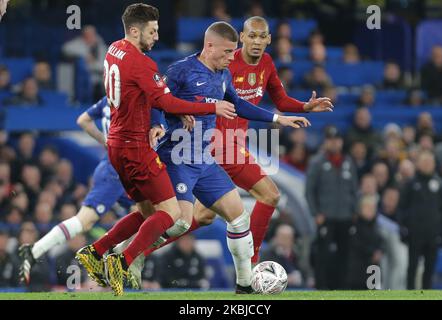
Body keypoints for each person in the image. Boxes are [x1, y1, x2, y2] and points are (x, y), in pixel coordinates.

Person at [136, 16, 331, 269]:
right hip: (216, 143)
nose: (257, 42)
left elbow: (279, 100)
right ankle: (252, 263)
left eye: (262, 37)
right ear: (242, 38)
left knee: (201, 216)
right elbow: (171, 96)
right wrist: (171, 117)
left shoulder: (267, 64)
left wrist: (304, 107)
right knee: (269, 196)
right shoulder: (225, 62)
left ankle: (139, 251)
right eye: (252, 36)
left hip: (234, 144)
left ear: (270, 39)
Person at [75, 3, 236, 296]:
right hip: (136, 147)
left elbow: (149, 97)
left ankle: (95, 251)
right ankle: (121, 261)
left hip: (115, 146)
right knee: (173, 214)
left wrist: (168, 113)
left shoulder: (114, 49)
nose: (156, 37)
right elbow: (167, 102)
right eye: (152, 31)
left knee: (148, 211)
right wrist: (210, 106)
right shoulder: (141, 63)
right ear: (135, 31)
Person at [18, 97, 135, 286]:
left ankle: (122, 265)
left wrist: (105, 142)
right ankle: (35, 250)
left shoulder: (109, 98)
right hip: (115, 171)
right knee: (85, 221)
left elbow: (83, 120)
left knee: (144, 213)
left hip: (125, 168)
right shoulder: (134, 98)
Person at [306, 125, 358, 289]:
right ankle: (321, 287)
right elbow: (309, 191)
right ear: (326, 142)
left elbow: (354, 189)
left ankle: (342, 287)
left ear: (341, 142)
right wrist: (316, 213)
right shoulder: (317, 162)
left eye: (337, 140)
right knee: (323, 255)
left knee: (345, 254)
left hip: (345, 216)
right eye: (331, 140)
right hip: (326, 217)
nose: (334, 143)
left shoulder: (348, 162)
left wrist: (354, 211)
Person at [399, 150, 442, 289]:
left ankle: (426, 296)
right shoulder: (411, 184)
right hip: (415, 234)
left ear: (434, 164)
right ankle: (410, 296)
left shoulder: (439, 184)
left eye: (430, 162)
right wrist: (402, 229)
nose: (427, 165)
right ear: (418, 164)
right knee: (412, 268)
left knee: (429, 270)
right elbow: (401, 208)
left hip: (433, 235)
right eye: (424, 162)